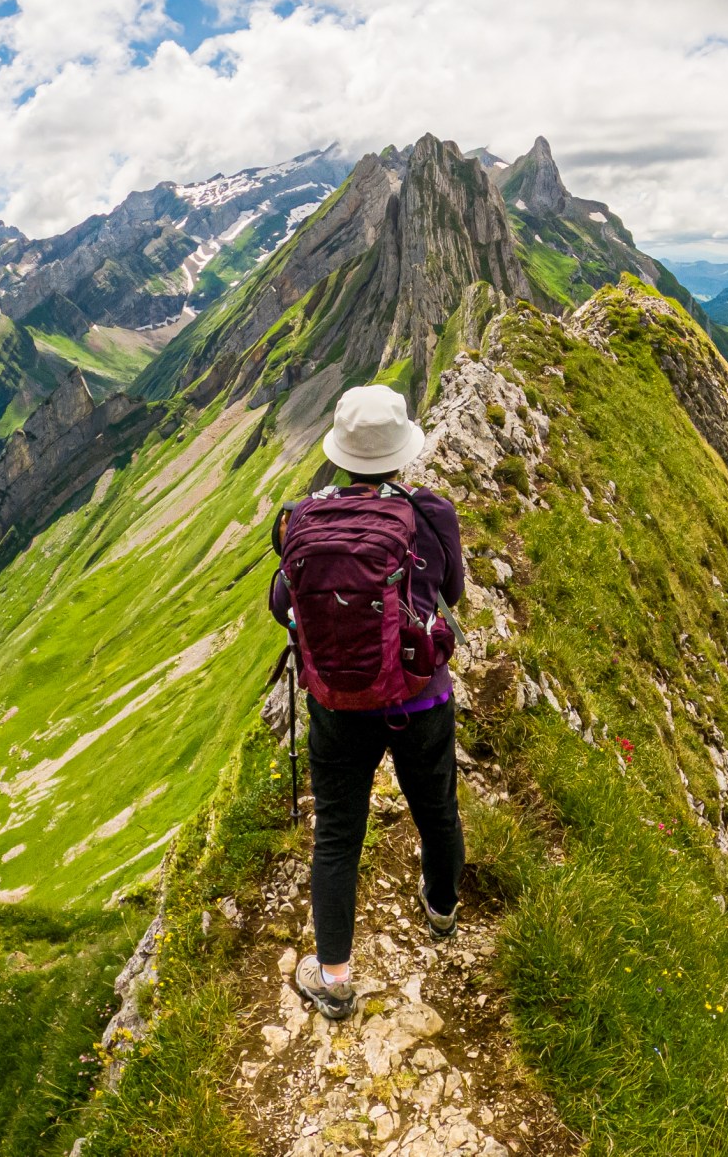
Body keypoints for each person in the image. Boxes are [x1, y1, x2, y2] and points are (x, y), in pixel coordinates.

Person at [269, 385, 466, 1021]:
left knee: (337, 836)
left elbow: (281, 604)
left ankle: (334, 978)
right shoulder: (431, 513)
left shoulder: (302, 517)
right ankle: (440, 911)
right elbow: (452, 594)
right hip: (418, 697)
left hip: (337, 704)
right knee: (435, 809)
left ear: (343, 455)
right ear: (401, 451)